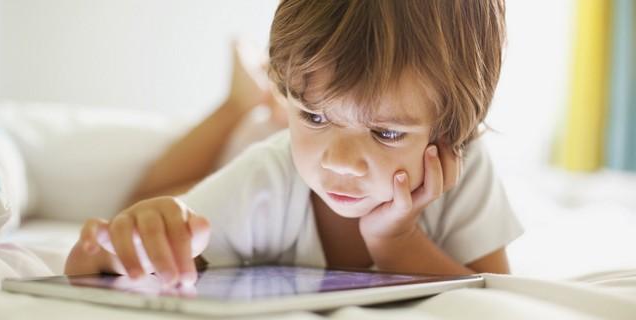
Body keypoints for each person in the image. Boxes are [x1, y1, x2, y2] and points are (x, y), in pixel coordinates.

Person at [65, 0, 523, 288]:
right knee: (145, 200)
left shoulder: (467, 168)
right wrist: (125, 241)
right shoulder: (268, 177)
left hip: (278, 131)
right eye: (315, 115)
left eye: (386, 132)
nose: (340, 164)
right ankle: (241, 101)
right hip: (258, 143)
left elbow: (498, 300)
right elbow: (94, 268)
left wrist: (394, 241)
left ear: (451, 130)